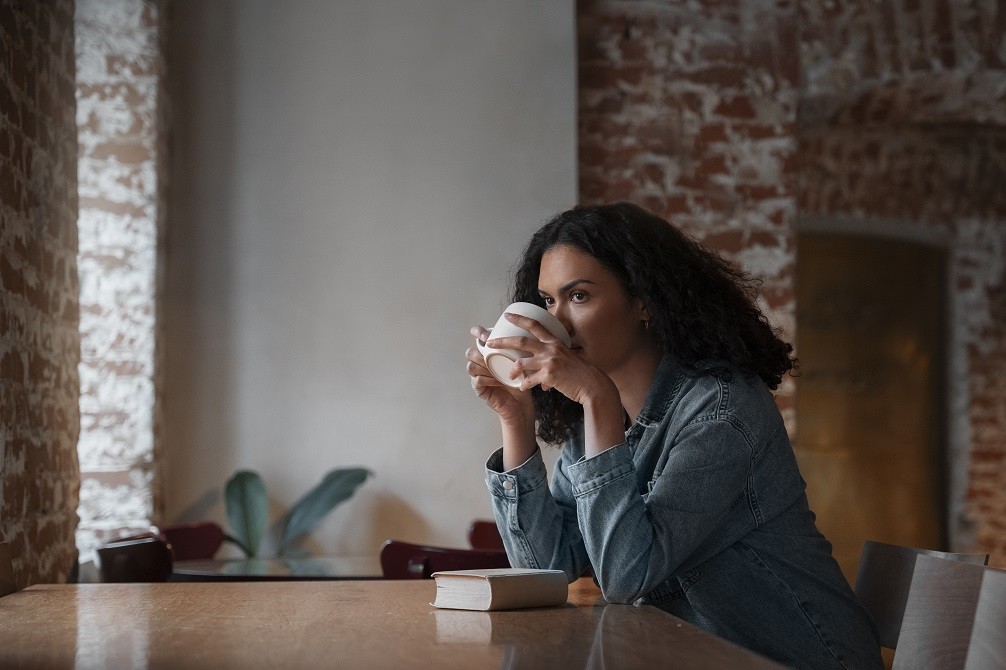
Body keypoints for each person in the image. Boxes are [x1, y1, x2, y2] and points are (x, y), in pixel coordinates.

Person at [465, 202, 883, 669]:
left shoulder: (721, 409)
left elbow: (627, 576)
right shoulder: (597, 419)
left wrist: (597, 400)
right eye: (547, 301)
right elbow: (545, 572)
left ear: (644, 301)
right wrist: (516, 419)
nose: (557, 321)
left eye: (578, 296)